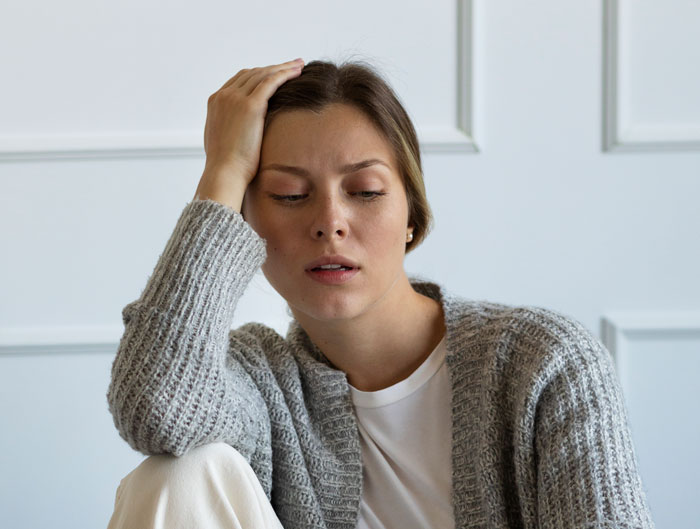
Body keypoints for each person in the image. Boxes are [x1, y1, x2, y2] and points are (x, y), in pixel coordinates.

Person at [106, 58, 655, 529]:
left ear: (411, 216)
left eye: (365, 191)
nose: (330, 222)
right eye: (290, 195)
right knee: (172, 473)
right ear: (245, 224)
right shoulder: (260, 381)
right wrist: (222, 172)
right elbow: (156, 409)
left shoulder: (544, 362)